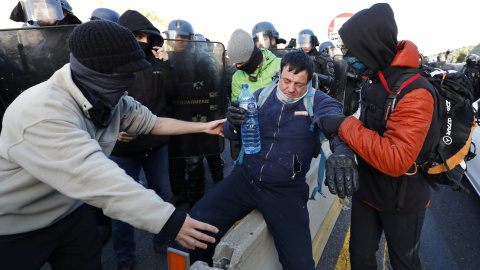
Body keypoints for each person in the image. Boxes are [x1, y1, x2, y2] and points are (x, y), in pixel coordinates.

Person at [0, 20, 224, 270]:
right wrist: (169, 220)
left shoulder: (105, 96)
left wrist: (203, 127)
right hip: (16, 226)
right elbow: (96, 178)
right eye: (125, 73)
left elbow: (152, 122)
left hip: (69, 212)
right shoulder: (43, 112)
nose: (131, 80)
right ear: (96, 71)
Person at [189, 49, 352, 270]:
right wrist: (233, 122)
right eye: (286, 80)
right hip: (246, 178)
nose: (291, 88)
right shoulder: (260, 96)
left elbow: (335, 120)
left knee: (301, 265)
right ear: (279, 73)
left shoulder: (318, 101)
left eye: (299, 84)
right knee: (197, 221)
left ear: (309, 82)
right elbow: (229, 132)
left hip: (286, 189)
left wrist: (342, 148)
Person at [323, 3, 438, 269]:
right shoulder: (372, 77)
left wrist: (343, 126)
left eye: (350, 49)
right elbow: (360, 122)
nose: (346, 54)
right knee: (360, 257)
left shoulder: (415, 91)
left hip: (403, 200)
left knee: (404, 264)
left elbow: (397, 159)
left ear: (370, 46)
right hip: (367, 190)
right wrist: (343, 142)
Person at [109, 10, 177, 269]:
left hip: (156, 144)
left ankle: (162, 241)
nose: (142, 41)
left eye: (146, 36)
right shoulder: (113, 64)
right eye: (135, 36)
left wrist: (166, 65)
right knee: (121, 205)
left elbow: (174, 93)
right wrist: (114, 131)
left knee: (161, 194)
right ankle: (125, 257)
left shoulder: (157, 63)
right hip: (123, 149)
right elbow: (98, 104)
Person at [165, 19, 220, 209]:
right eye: (176, 37)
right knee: (175, 160)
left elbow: (209, 86)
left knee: (195, 160)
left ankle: (197, 202)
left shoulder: (201, 59)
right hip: (174, 115)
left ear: (190, 39)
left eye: (184, 37)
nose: (180, 41)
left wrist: (183, 89)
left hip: (198, 114)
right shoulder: (166, 58)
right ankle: (179, 194)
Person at [228, 28, 281, 100]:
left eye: (241, 62)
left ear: (251, 56)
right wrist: (235, 110)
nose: (238, 66)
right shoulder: (237, 77)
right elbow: (237, 101)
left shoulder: (281, 65)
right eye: (236, 63)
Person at [297, 29, 336, 98]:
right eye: (303, 43)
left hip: (319, 93)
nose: (305, 46)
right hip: (299, 92)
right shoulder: (298, 57)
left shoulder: (323, 57)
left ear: (312, 42)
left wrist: (313, 75)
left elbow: (331, 80)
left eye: (307, 42)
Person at [10, 0, 82, 27]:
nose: (37, 11)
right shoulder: (43, 36)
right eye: (34, 7)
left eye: (45, 6)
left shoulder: (76, 38)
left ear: (64, 13)